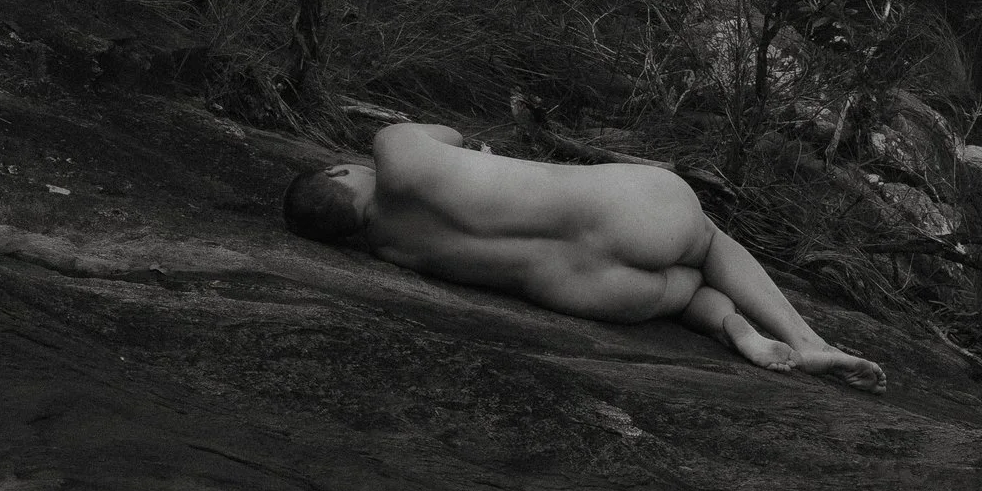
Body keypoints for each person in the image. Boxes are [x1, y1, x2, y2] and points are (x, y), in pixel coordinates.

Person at [283, 122, 886, 392]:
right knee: (709, 242)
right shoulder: (395, 151)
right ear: (340, 172)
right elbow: (452, 136)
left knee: (685, 297)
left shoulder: (390, 250)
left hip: (594, 295)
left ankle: (736, 331)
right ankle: (806, 342)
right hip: (617, 214)